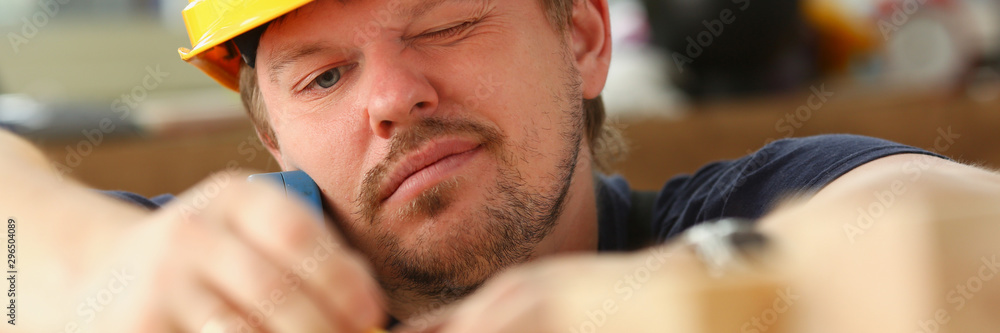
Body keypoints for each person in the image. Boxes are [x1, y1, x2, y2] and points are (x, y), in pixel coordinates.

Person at [4, 0, 1000, 332]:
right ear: (271, 138)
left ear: (579, 38)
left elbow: (952, 235)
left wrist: (719, 293)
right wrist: (88, 256)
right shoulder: (216, 289)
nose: (390, 97)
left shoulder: (755, 208)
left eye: (446, 22)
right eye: (322, 77)